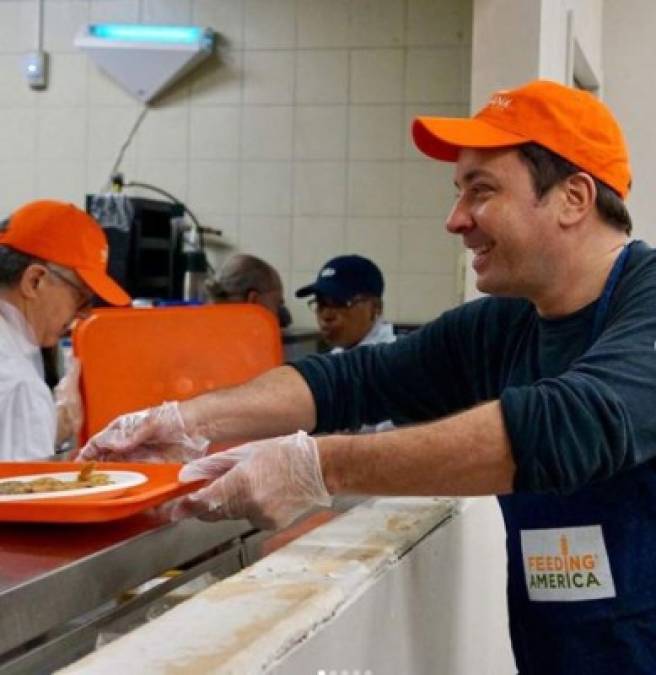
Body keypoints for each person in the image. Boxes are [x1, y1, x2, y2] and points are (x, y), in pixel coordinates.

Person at [80, 79, 656, 673]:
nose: (455, 220)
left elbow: (575, 423)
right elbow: (354, 381)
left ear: (573, 198)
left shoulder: (647, 302)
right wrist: (190, 418)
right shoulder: (508, 325)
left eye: (480, 191)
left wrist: (318, 466)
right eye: (458, 193)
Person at [0, 200, 130, 459]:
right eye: (81, 297)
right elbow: (27, 495)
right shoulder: (18, 382)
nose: (82, 313)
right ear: (34, 281)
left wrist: (53, 426)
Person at [295, 254, 395, 352]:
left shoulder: (394, 357)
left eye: (339, 303)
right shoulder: (337, 355)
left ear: (375, 308)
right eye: (321, 304)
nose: (326, 316)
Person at [205, 253, 291, 328]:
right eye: (277, 304)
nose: (279, 316)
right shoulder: (249, 343)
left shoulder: (202, 328)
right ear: (253, 301)